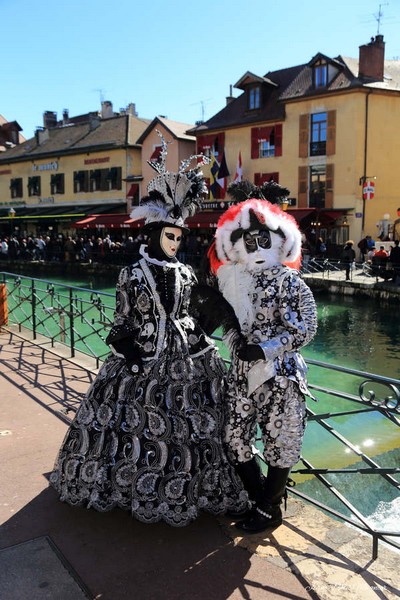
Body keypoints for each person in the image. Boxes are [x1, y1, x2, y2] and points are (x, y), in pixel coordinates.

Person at [50, 133, 247, 526]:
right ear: (154, 233)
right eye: (169, 236)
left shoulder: (187, 272)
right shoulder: (130, 274)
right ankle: (130, 484)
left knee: (194, 425)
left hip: (190, 356)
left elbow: (194, 311)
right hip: (142, 357)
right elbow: (122, 319)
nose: (174, 243)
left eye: (179, 237)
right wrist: (130, 349)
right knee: (130, 425)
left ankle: (196, 486)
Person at [207, 180, 318, 534]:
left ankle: (269, 510)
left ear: (279, 240)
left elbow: (306, 329)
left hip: (280, 375)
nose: (255, 247)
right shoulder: (234, 280)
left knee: (280, 441)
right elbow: (225, 319)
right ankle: (261, 501)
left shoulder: (291, 282)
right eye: (248, 241)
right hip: (241, 374)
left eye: (262, 240)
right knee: (234, 438)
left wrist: (266, 348)